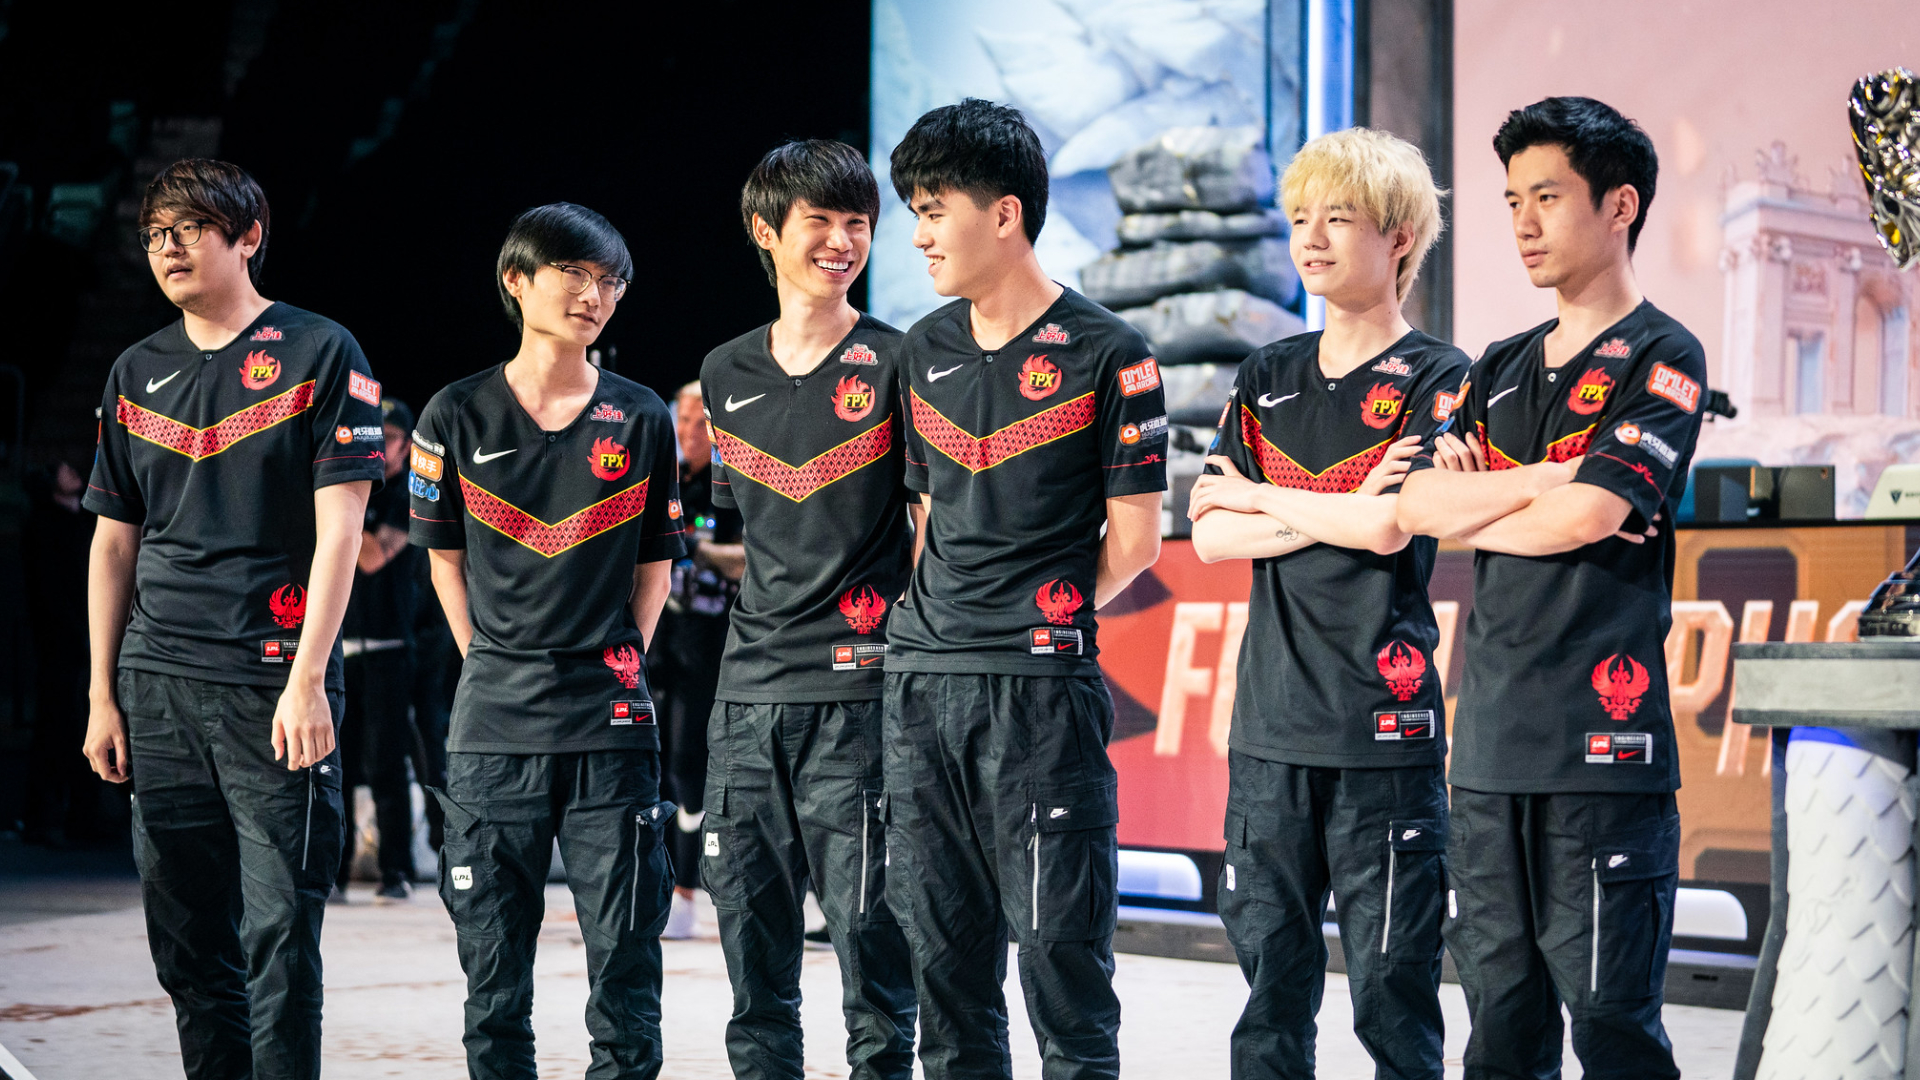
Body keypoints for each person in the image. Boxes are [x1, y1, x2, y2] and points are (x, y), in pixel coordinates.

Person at [1397, 97, 1706, 1079]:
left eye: (1548, 197)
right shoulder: (1497, 367)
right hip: (1490, 754)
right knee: (1500, 1032)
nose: (1523, 223)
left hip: (1603, 757)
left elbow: (1592, 515)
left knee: (1613, 1028)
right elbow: (1420, 506)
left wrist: (1488, 499)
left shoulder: (1664, 354)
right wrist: (1545, 479)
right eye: (1512, 201)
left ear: (1619, 206)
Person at [882, 99, 1167, 1080]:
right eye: (913, 214)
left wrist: (1035, 615)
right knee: (944, 973)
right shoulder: (921, 350)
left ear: (1004, 214)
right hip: (922, 690)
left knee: (1062, 964)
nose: (919, 236)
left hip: (1041, 696)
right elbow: (927, 518)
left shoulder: (1111, 352)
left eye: (933, 210)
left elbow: (1136, 542)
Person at [82, 159, 383, 1080]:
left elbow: (342, 534)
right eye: (155, 234)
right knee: (186, 944)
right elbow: (113, 544)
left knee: (281, 936)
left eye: (190, 229)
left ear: (248, 237)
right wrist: (101, 694)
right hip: (158, 683)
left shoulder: (322, 351)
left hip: (273, 684)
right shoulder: (135, 370)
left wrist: (308, 678)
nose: (168, 248)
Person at [1186, 126, 1463, 1079]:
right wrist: (1335, 507)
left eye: (1337, 218)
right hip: (1270, 734)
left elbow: (1390, 527)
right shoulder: (1267, 374)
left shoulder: (1440, 376)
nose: (1311, 238)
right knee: (1270, 1002)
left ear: (1398, 238)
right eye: (1301, 217)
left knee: (1394, 997)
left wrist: (1264, 496)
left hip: (1384, 732)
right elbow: (1209, 533)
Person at [410, 202, 684, 1080]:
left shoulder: (642, 416)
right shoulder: (454, 414)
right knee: (493, 981)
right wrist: (487, 660)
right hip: (493, 730)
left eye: (610, 281)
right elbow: (444, 561)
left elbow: (654, 571)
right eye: (574, 274)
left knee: (628, 969)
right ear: (517, 281)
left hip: (612, 729)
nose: (594, 295)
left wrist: (621, 664)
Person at [697, 138, 919, 1080]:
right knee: (753, 955)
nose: (841, 242)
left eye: (857, 224)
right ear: (765, 231)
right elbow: (748, 530)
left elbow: (926, 527)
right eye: (818, 222)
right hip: (746, 697)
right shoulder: (724, 371)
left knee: (876, 955)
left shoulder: (902, 358)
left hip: (862, 695)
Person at [649, 380, 742, 939]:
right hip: (658, 642)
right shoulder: (666, 480)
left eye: (696, 423)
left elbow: (756, 556)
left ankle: (687, 891)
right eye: (680, 421)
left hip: (711, 643)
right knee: (653, 766)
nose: (686, 433)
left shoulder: (731, 484)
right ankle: (656, 885)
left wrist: (702, 551)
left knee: (690, 764)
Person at [335, 396, 421, 904]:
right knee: (337, 766)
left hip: (390, 647)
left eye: (389, 438)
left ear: (406, 446)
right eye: (376, 435)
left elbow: (368, 557)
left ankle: (396, 870)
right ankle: (335, 871)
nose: (380, 446)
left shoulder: (408, 495)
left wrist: (341, 514)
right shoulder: (354, 489)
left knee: (386, 762)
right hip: (342, 647)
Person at [24, 460, 100, 849]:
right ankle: (45, 818)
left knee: (86, 726)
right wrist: (76, 632)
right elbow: (49, 590)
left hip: (88, 641)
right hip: (61, 644)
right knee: (57, 728)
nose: (73, 473)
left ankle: (86, 818)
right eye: (63, 470)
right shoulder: (43, 526)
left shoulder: (86, 520)